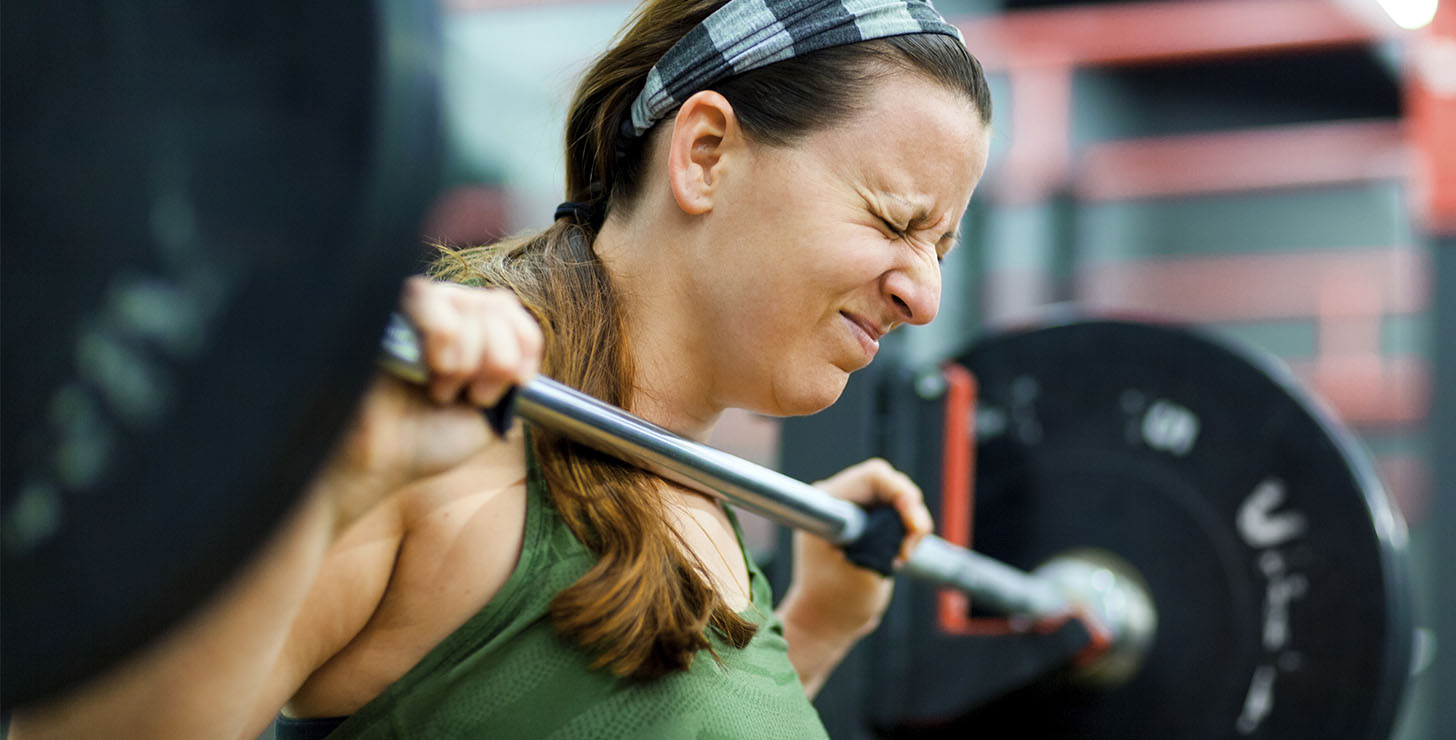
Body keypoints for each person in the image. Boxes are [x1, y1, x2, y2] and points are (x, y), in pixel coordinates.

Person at [8, 0, 991, 737]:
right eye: (897, 220)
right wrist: (341, 481)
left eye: (940, 247)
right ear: (702, 154)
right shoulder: (441, 440)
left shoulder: (694, 496)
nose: (923, 295)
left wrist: (812, 629)